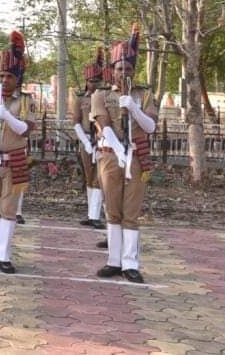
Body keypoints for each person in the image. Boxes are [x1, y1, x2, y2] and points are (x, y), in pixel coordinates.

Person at [92, 24, 157, 284]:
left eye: (128, 69)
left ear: (134, 71)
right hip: (111, 156)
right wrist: (120, 151)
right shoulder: (101, 94)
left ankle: (130, 263)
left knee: (131, 211)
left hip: (137, 157)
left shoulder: (144, 94)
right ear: (112, 70)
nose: (123, 73)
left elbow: (150, 127)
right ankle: (114, 260)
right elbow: (103, 125)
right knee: (112, 209)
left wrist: (135, 109)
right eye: (119, 68)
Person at [0, 31, 36, 274]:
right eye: (1, 75)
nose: (4, 79)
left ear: (17, 78)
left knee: (8, 209)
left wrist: (7, 116)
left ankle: (4, 255)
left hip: (14, 161)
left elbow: (25, 130)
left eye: (9, 76)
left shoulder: (25, 101)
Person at [71, 47, 106, 230]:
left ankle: (95, 215)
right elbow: (76, 122)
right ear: (86, 81)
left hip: (102, 140)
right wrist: (85, 142)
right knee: (89, 176)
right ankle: (91, 214)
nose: (94, 84)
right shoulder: (80, 98)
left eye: (97, 81)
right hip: (86, 140)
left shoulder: (106, 97)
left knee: (99, 178)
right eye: (91, 81)